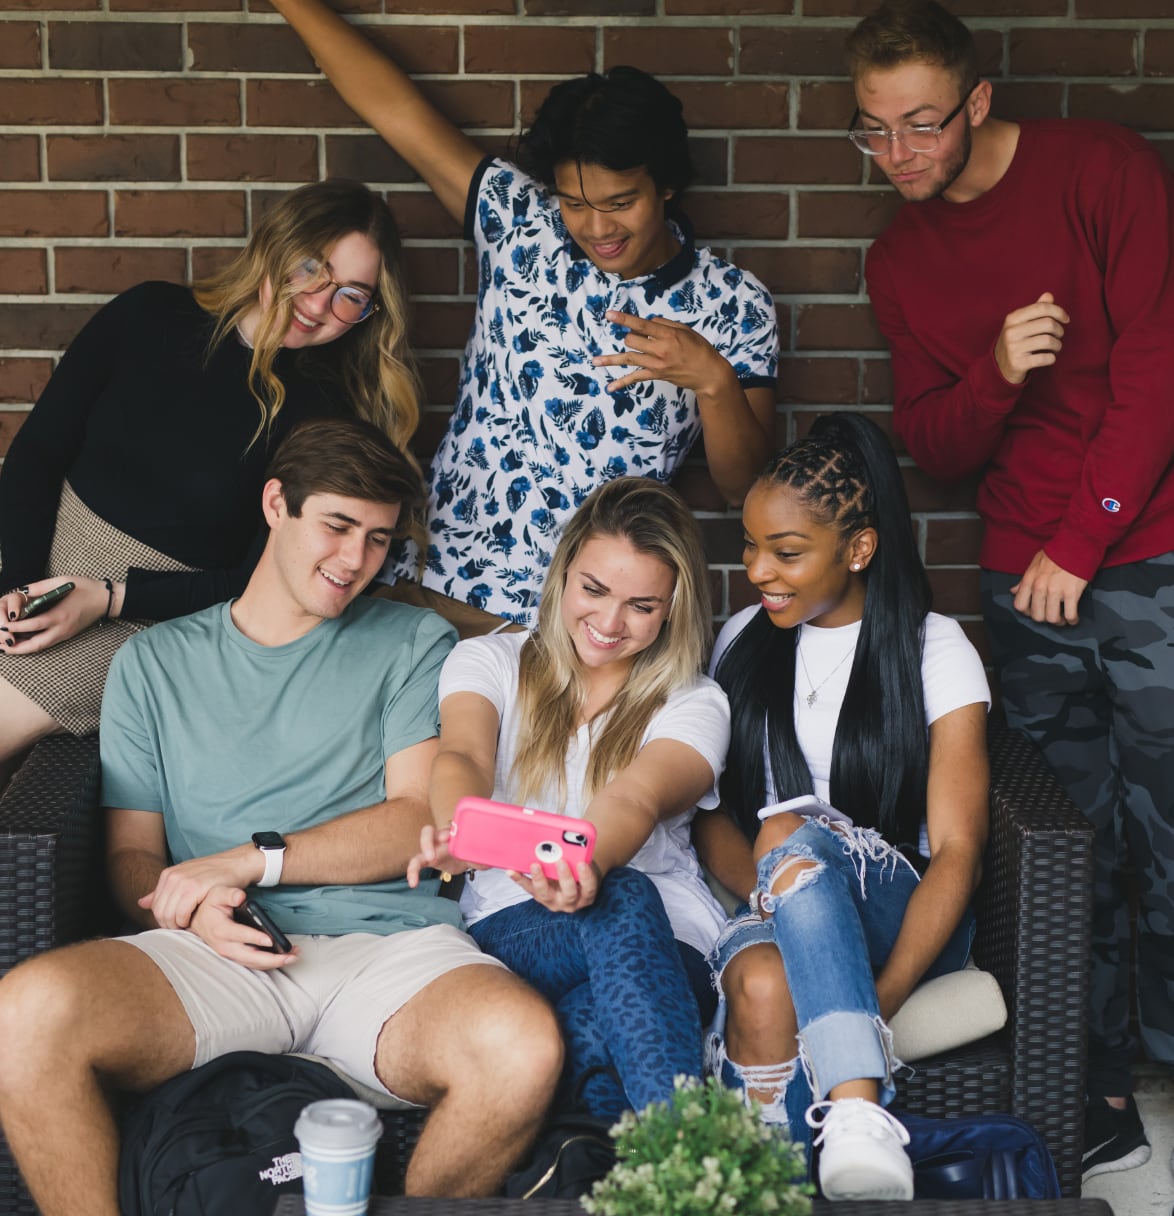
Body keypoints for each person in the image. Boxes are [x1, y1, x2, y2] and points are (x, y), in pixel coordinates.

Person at [0, 417, 563, 1216]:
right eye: (336, 526)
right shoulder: (154, 663)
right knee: (24, 1014)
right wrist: (191, 907)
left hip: (387, 956)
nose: (354, 562)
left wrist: (250, 861)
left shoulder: (412, 642)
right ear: (276, 504)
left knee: (521, 1046)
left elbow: (415, 819)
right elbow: (133, 856)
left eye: (377, 540)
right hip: (221, 954)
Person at [845, 3, 1174, 1211]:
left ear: (976, 103)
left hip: (1153, 549)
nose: (898, 155)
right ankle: (1100, 1084)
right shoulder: (899, 259)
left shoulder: (1102, 171)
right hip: (1026, 573)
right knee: (1066, 839)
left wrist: (1077, 540)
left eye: (919, 126)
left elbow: (1165, 370)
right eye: (871, 131)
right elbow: (931, 442)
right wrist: (999, 371)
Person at [269, 0, 781, 625]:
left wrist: (713, 380)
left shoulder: (732, 303)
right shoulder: (521, 223)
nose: (597, 228)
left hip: (580, 627)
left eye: (621, 203)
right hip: (431, 589)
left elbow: (742, 486)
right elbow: (394, 108)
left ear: (667, 185)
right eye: (575, 202)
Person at [0, 177, 423, 773]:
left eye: (352, 295)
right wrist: (17, 589)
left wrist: (110, 599)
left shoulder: (326, 410)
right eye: (311, 269)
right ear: (275, 248)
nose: (320, 303)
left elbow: (254, 578)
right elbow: (36, 455)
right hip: (37, 563)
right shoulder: (150, 313)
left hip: (142, 619)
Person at [694, 412, 990, 1200]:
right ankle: (765, 1188)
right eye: (751, 545)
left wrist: (875, 1002)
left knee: (789, 828)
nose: (759, 569)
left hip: (900, 909)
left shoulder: (933, 648)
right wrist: (781, 890)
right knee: (759, 981)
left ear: (858, 549)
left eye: (786, 552)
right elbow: (710, 817)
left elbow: (958, 849)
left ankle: (857, 1103)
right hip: (778, 902)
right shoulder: (741, 640)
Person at [408, 476, 731, 1119]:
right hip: (517, 917)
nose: (609, 623)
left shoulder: (696, 702)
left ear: (673, 608)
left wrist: (584, 866)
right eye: (594, 590)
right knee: (621, 902)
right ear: (562, 574)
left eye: (641, 605)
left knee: (589, 1010)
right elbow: (464, 755)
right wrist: (458, 824)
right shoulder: (490, 661)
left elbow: (636, 798)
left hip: (673, 938)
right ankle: (688, 1162)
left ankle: (614, 1173)